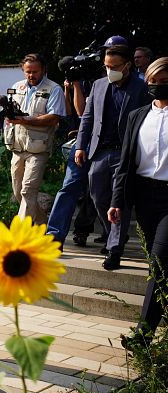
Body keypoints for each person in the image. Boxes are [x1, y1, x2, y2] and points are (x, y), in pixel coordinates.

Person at [108, 57, 168, 347]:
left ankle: (143, 335)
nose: (157, 87)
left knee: (159, 263)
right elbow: (125, 163)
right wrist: (116, 200)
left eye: (163, 82)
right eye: (152, 82)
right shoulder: (137, 115)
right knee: (159, 265)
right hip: (144, 196)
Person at [75, 44, 150, 270]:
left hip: (126, 152)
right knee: (97, 197)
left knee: (120, 201)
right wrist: (80, 146)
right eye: (107, 66)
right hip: (100, 151)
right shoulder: (98, 85)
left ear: (127, 64)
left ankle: (114, 249)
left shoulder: (141, 87)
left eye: (115, 66)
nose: (110, 70)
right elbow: (87, 119)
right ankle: (113, 236)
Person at [3, 53, 66, 224]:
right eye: (28, 72)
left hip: (38, 148)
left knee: (28, 190)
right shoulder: (17, 87)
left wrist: (25, 120)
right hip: (17, 147)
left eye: (35, 71)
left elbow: (54, 118)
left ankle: (21, 233)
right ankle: (41, 223)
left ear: (44, 70)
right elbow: (9, 112)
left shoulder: (54, 89)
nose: (31, 75)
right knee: (18, 192)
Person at [46, 75, 100, 249]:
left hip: (104, 144)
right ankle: (53, 238)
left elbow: (83, 112)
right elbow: (69, 113)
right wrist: (70, 88)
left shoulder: (101, 84)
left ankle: (114, 241)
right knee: (68, 188)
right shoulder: (81, 83)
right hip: (80, 142)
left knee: (99, 193)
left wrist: (77, 85)